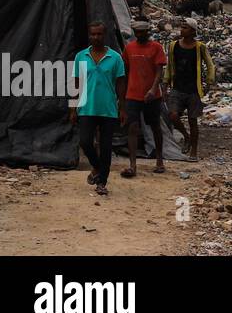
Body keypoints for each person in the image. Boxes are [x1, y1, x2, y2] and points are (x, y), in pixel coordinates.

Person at [69, 22, 126, 196]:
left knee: (106, 146)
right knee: (85, 141)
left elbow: (121, 84)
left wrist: (122, 107)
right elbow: (76, 83)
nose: (96, 37)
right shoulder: (81, 56)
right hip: (86, 107)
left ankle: (102, 182)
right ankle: (97, 167)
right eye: (93, 34)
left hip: (108, 109)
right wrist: (73, 107)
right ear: (89, 35)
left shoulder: (115, 58)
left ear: (105, 35)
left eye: (99, 34)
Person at [121, 21, 168, 177]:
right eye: (137, 32)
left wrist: (153, 89)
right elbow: (126, 71)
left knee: (155, 126)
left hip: (152, 96)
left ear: (148, 32)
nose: (140, 34)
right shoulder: (129, 48)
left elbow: (158, 71)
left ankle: (160, 159)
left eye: (143, 32)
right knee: (132, 127)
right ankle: (133, 165)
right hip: (133, 94)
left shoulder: (156, 47)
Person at [165, 21, 216, 162]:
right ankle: (186, 136)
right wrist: (165, 83)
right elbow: (169, 66)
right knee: (173, 115)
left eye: (185, 28)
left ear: (193, 31)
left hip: (194, 90)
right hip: (177, 88)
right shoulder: (173, 46)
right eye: (181, 27)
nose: (182, 29)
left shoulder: (200, 47)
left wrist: (209, 82)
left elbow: (210, 65)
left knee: (193, 121)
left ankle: (193, 151)